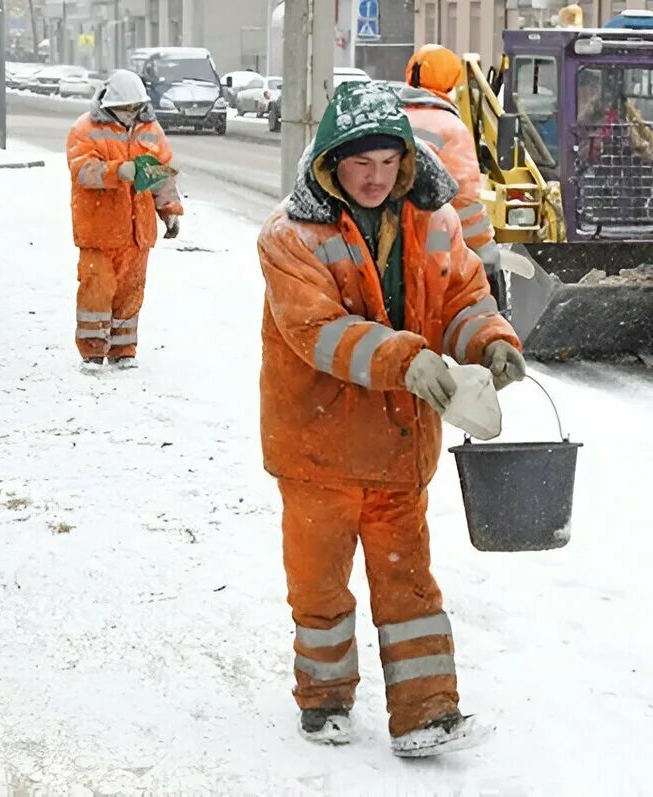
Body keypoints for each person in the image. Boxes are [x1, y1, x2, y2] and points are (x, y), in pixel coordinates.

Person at [256, 81, 526, 755]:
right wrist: (405, 358)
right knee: (319, 584)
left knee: (409, 584)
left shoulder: (434, 222)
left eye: (387, 162)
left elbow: (462, 294)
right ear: (330, 164)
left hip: (401, 447)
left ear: (405, 159)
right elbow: (316, 329)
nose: (375, 178)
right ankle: (324, 699)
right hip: (317, 447)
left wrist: (490, 338)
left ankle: (428, 711)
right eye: (359, 164)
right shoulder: (290, 237)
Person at [66, 69, 183, 371]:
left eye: (135, 107)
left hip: (137, 234)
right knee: (97, 292)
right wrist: (118, 171)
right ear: (109, 105)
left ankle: (124, 350)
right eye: (125, 108)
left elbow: (161, 174)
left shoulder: (150, 130)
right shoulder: (85, 129)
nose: (130, 113)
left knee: (130, 294)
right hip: (99, 232)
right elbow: (83, 172)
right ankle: (92, 351)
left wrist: (169, 210)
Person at [400, 45, 504, 307]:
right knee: (487, 270)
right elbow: (463, 199)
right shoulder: (451, 128)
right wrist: (483, 246)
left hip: (391, 237)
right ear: (450, 82)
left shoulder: (394, 118)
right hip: (432, 239)